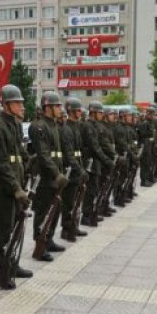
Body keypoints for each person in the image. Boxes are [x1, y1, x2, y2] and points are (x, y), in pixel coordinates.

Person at [0, 85, 33, 289]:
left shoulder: (14, 125)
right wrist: (16, 188)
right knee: (2, 232)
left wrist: (30, 163)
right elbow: (2, 163)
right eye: (17, 103)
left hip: (15, 187)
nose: (21, 106)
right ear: (6, 105)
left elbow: (18, 156)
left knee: (16, 228)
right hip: (3, 190)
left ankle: (11, 264)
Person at [29, 92, 69, 260]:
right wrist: (56, 173)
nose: (60, 109)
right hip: (45, 177)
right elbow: (44, 154)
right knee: (43, 212)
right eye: (57, 106)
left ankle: (49, 239)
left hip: (55, 175)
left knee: (55, 209)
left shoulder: (54, 125)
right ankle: (40, 244)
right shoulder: (39, 126)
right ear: (48, 107)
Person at [59, 97, 89, 242]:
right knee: (69, 202)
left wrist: (82, 168)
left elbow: (79, 152)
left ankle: (74, 226)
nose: (80, 113)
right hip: (71, 171)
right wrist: (78, 169)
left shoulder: (76, 127)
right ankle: (66, 229)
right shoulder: (66, 129)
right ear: (71, 111)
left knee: (77, 201)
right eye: (78, 110)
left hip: (77, 168)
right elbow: (69, 155)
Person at [80, 101, 114, 227]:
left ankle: (91, 212)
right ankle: (86, 215)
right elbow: (94, 146)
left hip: (95, 162)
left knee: (94, 188)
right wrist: (106, 160)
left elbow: (102, 145)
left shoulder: (95, 126)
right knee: (89, 190)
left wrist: (109, 158)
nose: (102, 115)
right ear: (93, 113)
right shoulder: (88, 126)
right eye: (100, 112)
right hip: (89, 161)